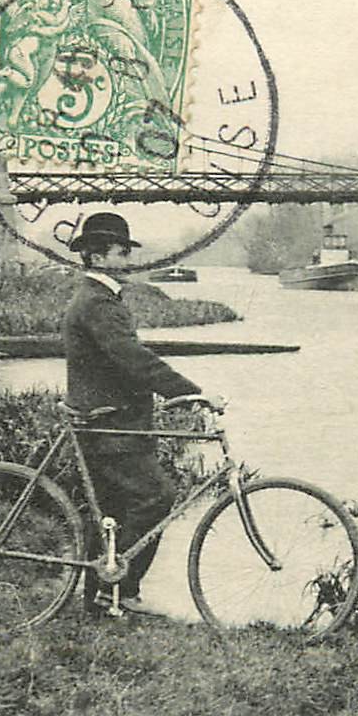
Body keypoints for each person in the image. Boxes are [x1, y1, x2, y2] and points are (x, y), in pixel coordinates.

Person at [63, 212, 215, 618]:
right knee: (156, 496)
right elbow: (133, 359)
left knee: (110, 514)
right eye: (121, 251)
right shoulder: (99, 303)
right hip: (112, 425)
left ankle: (101, 601)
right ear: (96, 258)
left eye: (128, 250)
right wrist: (189, 392)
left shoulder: (97, 299)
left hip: (107, 421)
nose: (128, 258)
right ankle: (123, 589)